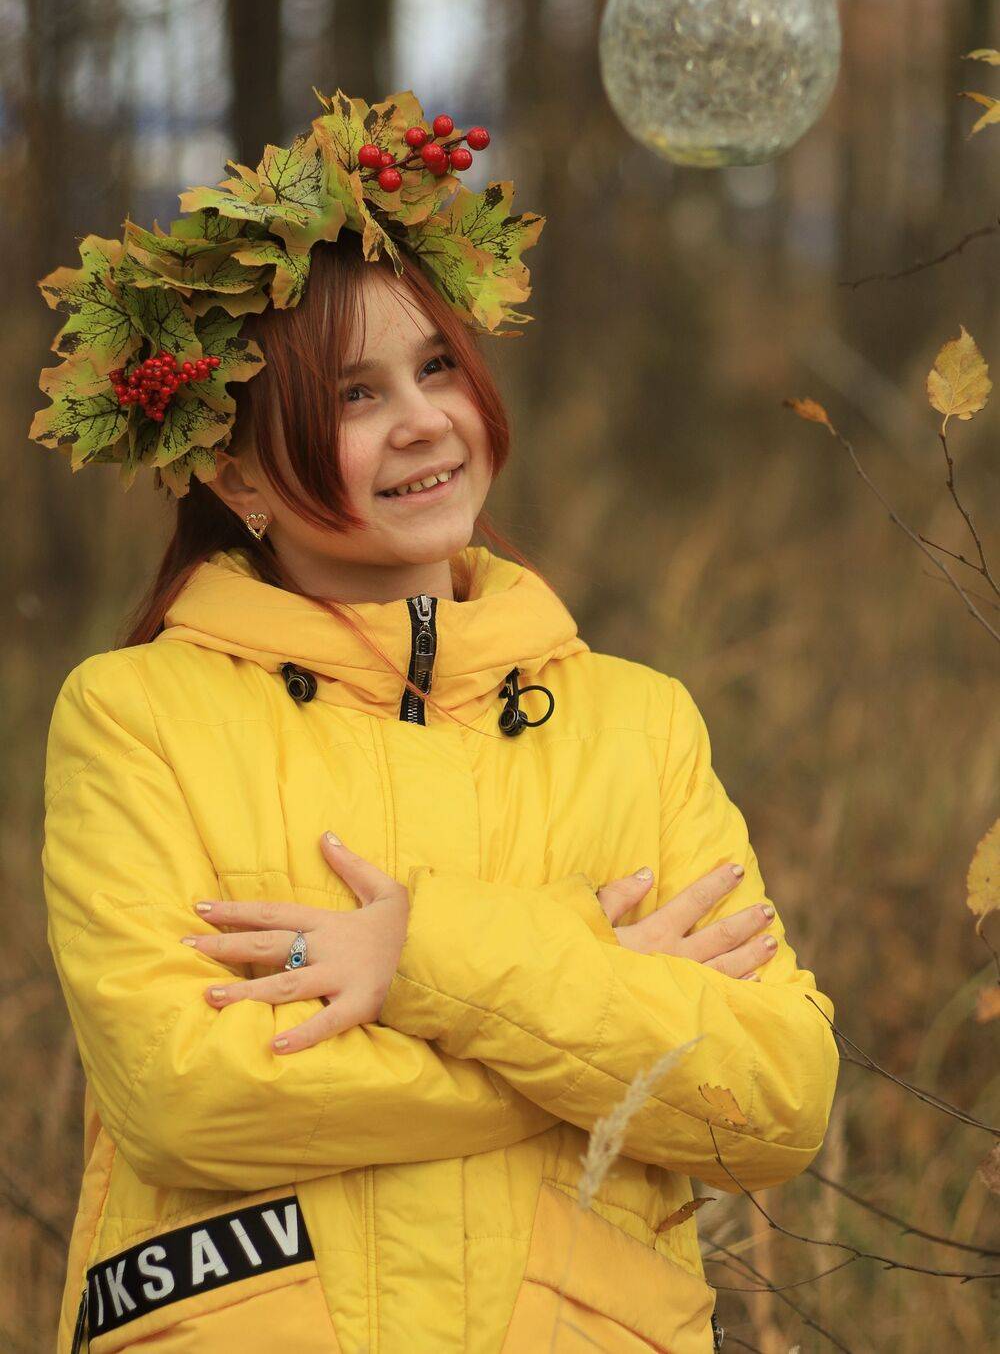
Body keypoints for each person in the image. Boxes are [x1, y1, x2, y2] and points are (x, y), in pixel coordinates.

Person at [33, 87, 839, 1354]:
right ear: (235, 472)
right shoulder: (137, 716)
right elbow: (184, 1097)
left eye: (436, 367)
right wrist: (590, 1003)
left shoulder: (636, 724)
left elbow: (774, 1099)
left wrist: (420, 956)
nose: (423, 421)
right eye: (353, 396)